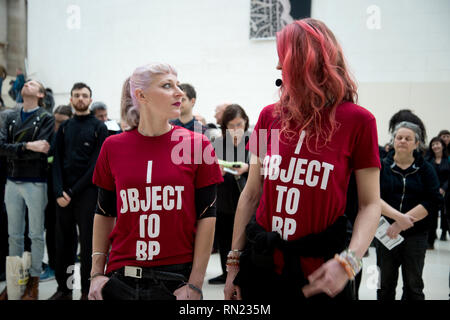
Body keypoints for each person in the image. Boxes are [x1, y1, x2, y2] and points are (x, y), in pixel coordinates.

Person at [224, 18, 381, 301]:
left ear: (304, 62)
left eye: (282, 58)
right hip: (262, 264)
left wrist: (350, 262)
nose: (277, 67)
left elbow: (370, 204)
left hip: (320, 272)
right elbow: (250, 193)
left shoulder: (359, 121)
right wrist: (233, 263)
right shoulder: (267, 116)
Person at [88, 63, 223, 300]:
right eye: (167, 85)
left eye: (178, 85)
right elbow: (104, 212)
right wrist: (96, 274)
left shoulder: (198, 145)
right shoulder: (112, 147)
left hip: (176, 280)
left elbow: (207, 217)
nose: (179, 92)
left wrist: (195, 283)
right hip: (120, 278)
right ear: (141, 95)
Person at [49, 82, 108, 300]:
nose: (80, 98)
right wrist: (58, 192)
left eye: (84, 95)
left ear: (90, 100)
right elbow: (55, 162)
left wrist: (72, 192)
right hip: (63, 196)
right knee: (64, 245)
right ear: (71, 100)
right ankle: (64, 290)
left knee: (88, 247)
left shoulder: (98, 127)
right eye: (76, 95)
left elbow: (96, 165)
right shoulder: (64, 127)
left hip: (86, 194)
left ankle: (85, 290)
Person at [0, 79, 54, 300]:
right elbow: (2, 148)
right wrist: (27, 145)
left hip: (35, 182)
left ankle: (33, 282)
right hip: (12, 181)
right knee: (14, 235)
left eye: (32, 84)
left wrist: (19, 149)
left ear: (40, 94)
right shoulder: (9, 116)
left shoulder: (46, 118)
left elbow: (43, 149)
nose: (27, 85)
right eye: (26, 83)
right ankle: (14, 282)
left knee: (35, 234)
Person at [376, 121, 441, 300]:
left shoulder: (426, 169)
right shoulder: (381, 167)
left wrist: (400, 224)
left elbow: (433, 200)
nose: (403, 141)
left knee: (414, 286)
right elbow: (373, 198)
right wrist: (397, 220)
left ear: (416, 144)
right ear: (394, 140)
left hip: (416, 236)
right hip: (385, 234)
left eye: (408, 138)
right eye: (399, 137)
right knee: (383, 285)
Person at [208, 104, 250, 285]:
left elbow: (266, 167)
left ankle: (246, 273)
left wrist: (247, 167)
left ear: (246, 123)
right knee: (224, 235)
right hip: (224, 196)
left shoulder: (254, 140)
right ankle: (226, 274)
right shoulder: (218, 143)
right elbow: (209, 167)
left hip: (246, 195)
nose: (236, 130)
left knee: (245, 236)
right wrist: (217, 168)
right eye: (231, 126)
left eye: (239, 125)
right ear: (225, 126)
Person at [40, 105, 73, 282]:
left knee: (65, 235)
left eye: (62, 122)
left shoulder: (71, 135)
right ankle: (53, 265)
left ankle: (64, 270)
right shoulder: (50, 135)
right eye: (56, 122)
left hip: (67, 193)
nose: (57, 126)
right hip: (51, 190)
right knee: (51, 230)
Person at [426, 137, 449, 243]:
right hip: (433, 192)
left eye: (437, 144)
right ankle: (430, 242)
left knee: (447, 217)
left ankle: (445, 234)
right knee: (431, 218)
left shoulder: (448, 159)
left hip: (447, 192)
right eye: (433, 144)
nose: (435, 146)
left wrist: (444, 188)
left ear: (443, 146)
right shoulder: (428, 160)